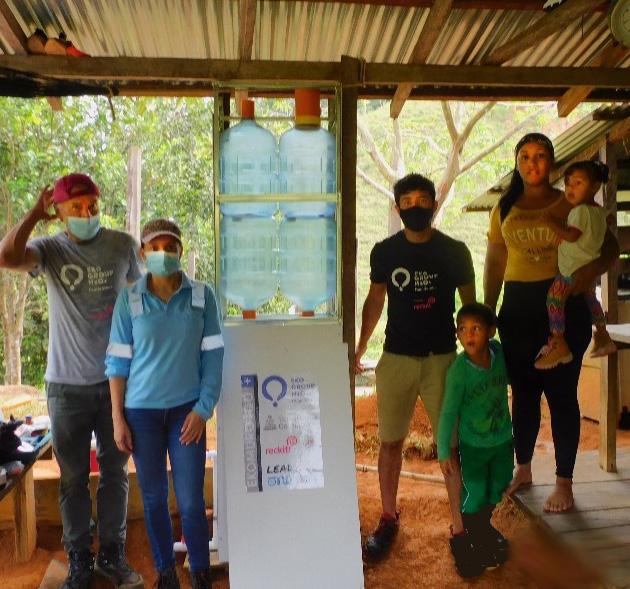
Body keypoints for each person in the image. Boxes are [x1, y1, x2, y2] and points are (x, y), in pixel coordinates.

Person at [0, 173, 143, 589]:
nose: (86, 214)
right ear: (59, 213)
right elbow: (6, 256)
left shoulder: (122, 246)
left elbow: (143, 300)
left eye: (92, 206)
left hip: (117, 383)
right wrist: (32, 214)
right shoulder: (49, 249)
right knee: (73, 477)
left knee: (116, 472)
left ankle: (112, 556)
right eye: (76, 208)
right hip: (65, 387)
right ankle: (80, 560)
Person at [484, 133, 619, 513]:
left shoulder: (571, 200)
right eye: (524, 156)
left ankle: (564, 483)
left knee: (561, 396)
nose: (532, 163)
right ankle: (523, 469)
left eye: (540, 156)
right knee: (523, 394)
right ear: (517, 163)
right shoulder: (504, 206)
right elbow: (495, 261)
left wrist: (589, 272)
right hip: (516, 308)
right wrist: (488, 309)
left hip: (562, 304)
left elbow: (609, 246)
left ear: (552, 163)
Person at [355, 173, 475, 562]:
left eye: (424, 199)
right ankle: (388, 517)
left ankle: (460, 527)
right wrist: (359, 348)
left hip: (442, 359)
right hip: (397, 359)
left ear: (435, 204)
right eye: (407, 201)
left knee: (449, 446)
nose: (416, 206)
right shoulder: (385, 252)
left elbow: (470, 306)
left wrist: (475, 351)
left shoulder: (455, 251)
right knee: (390, 442)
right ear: (397, 207)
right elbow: (375, 301)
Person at [105, 219, 224, 589]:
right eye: (154, 248)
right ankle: (166, 573)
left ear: (180, 252)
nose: (162, 254)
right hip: (141, 416)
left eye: (170, 247)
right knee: (154, 498)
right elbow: (117, 362)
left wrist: (203, 409)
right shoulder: (130, 298)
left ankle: (200, 573)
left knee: (190, 500)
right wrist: (117, 419)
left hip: (186, 414)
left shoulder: (202, 296)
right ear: (143, 253)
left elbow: (214, 357)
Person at [438, 303, 512, 578]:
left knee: (500, 484)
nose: (468, 335)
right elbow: (447, 412)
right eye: (462, 330)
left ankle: (483, 527)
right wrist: (444, 449)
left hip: (502, 440)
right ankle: (477, 539)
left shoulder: (500, 354)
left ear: (491, 331)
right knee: (476, 492)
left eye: (476, 329)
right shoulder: (459, 371)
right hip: (474, 446)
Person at [535, 160, 617, 369]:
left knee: (554, 299)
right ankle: (602, 333)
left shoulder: (579, 212)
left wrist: (551, 223)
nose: (570, 188)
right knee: (591, 299)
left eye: (578, 183)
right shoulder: (599, 212)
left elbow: (572, 236)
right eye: (568, 183)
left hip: (571, 269)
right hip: (588, 268)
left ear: (595, 186)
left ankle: (558, 342)